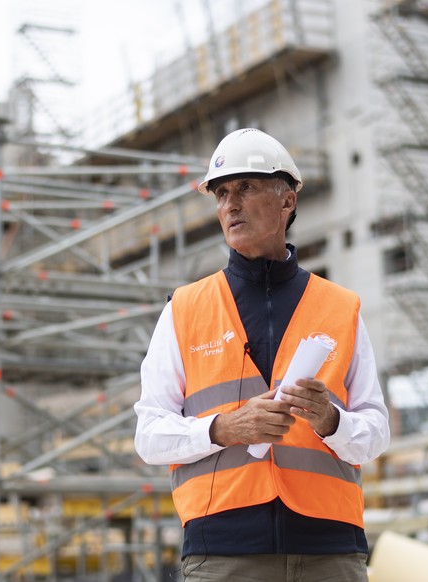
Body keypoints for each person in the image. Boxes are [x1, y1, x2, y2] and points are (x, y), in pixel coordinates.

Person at [134, 128, 390, 581]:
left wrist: (333, 421)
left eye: (246, 188)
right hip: (225, 554)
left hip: (330, 551)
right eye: (221, 193)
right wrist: (222, 428)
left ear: (287, 200)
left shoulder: (340, 308)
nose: (230, 204)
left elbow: (376, 432)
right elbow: (149, 435)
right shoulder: (185, 309)